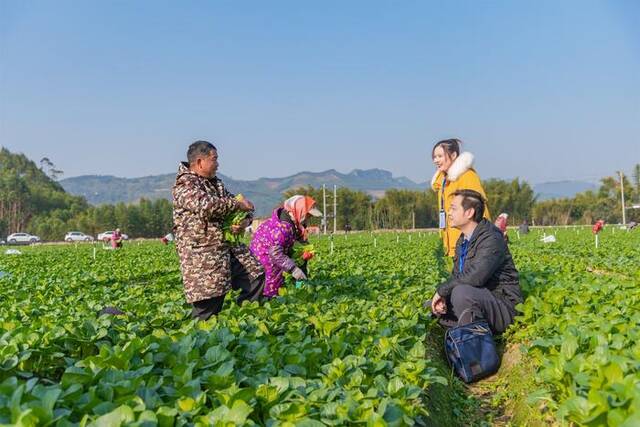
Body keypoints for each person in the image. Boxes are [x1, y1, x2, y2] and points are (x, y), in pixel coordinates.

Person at [172, 140, 265, 320]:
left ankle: (248, 322)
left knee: (256, 276)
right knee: (209, 305)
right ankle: (199, 340)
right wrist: (237, 203)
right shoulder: (185, 186)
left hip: (228, 250)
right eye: (214, 159)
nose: (218, 164)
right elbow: (207, 206)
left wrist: (244, 222)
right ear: (200, 162)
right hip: (203, 256)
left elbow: (246, 208)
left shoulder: (216, 184)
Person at [428, 190, 522, 334]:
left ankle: (476, 348)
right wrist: (444, 298)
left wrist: (442, 290)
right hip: (480, 301)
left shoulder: (491, 238)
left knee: (461, 293)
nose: (449, 213)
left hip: (503, 305)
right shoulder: (463, 240)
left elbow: (475, 277)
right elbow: (458, 276)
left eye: (453, 208)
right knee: (432, 306)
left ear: (469, 212)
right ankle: (462, 335)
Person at [250, 195, 323, 298]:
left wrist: (301, 254)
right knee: (270, 290)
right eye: (307, 215)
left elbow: (289, 245)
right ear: (298, 210)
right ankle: (267, 302)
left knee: (278, 286)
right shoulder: (283, 228)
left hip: (269, 257)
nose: (308, 218)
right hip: (265, 259)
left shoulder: (290, 223)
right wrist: (293, 269)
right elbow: (275, 253)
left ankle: (299, 290)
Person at [431, 139, 491, 257]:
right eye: (434, 157)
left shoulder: (467, 176)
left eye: (439, 156)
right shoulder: (444, 182)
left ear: (453, 155)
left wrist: (484, 240)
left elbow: (479, 210)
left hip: (469, 243)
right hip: (452, 243)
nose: (435, 160)